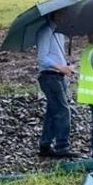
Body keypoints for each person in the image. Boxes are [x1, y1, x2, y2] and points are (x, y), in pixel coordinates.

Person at [35, 10, 77, 158]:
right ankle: (62, 146)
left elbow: (57, 56)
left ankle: (45, 145)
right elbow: (42, 58)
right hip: (49, 77)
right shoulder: (45, 31)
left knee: (53, 112)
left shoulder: (59, 33)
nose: (65, 16)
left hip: (59, 76)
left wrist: (67, 66)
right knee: (63, 110)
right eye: (61, 14)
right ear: (54, 15)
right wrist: (61, 68)